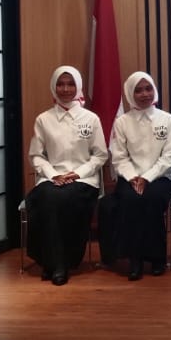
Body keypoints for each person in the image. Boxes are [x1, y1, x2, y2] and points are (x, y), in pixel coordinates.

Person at [25, 65, 108, 286]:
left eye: (70, 84)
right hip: (51, 179)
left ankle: (56, 264)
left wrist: (77, 174)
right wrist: (53, 175)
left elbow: (100, 155)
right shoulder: (43, 119)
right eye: (60, 84)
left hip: (84, 180)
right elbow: (36, 155)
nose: (65, 89)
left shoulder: (91, 118)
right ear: (54, 86)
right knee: (45, 198)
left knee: (61, 199)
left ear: (78, 86)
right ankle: (55, 262)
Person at [103, 71, 171, 281]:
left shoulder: (168, 120)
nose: (145, 94)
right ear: (130, 93)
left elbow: (168, 157)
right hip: (130, 177)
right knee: (130, 200)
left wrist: (147, 178)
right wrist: (133, 177)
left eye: (148, 88)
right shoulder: (122, 122)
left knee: (151, 199)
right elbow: (119, 157)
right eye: (138, 90)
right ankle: (134, 259)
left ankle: (157, 258)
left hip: (160, 177)